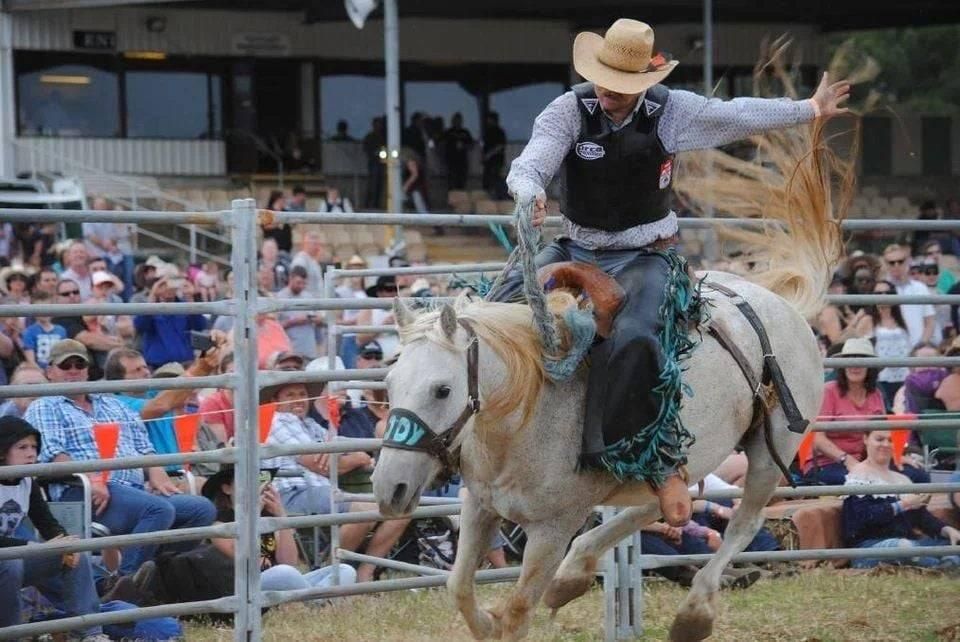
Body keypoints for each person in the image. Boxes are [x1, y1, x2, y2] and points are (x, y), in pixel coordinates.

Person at [489, 17, 851, 523]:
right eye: (605, 80)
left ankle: (642, 456)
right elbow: (533, 161)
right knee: (495, 310)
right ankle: (487, 438)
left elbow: (736, 116)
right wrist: (528, 192)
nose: (610, 91)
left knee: (637, 334)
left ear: (642, 83)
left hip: (645, 252)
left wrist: (807, 109)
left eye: (623, 85)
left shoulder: (671, 111)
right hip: (577, 243)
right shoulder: (568, 110)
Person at [24, 339, 216, 579]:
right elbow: (53, 454)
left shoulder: (113, 404)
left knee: (201, 509)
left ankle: (158, 578)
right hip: (81, 492)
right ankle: (124, 583)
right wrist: (93, 477)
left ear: (88, 369)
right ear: (49, 372)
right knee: (158, 510)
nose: (73, 370)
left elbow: (143, 446)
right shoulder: (45, 405)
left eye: (79, 364)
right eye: (66, 366)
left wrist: (156, 470)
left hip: (132, 491)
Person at [0, 416, 109, 641]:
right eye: (22, 447)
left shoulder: (27, 480)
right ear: (2, 452)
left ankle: (89, 632)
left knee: (74, 552)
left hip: (15, 556)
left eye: (34, 447)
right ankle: (11, 634)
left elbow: (47, 522)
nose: (31, 453)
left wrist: (64, 543)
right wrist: (31, 546)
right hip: (9, 559)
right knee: (10, 563)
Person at [841, 430, 960, 568]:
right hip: (869, 547)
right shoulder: (858, 475)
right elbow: (862, 518)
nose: (885, 444)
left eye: (891, 440)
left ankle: (946, 563)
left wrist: (946, 530)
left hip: (907, 542)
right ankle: (942, 566)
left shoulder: (901, 478)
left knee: (949, 541)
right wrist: (902, 504)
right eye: (879, 439)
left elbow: (921, 518)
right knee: (902, 547)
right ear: (866, 439)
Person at [802, 338, 885, 486]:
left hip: (866, 462)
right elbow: (817, 438)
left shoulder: (876, 394)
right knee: (867, 482)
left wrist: (900, 456)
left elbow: (883, 434)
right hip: (826, 463)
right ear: (842, 365)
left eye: (861, 360)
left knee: (917, 475)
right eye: (849, 359)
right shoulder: (828, 391)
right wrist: (848, 461)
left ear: (870, 367)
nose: (854, 365)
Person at [133, 274, 208, 369]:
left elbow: (200, 325)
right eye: (163, 284)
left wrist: (190, 298)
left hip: (184, 364)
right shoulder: (149, 308)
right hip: (157, 366)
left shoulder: (185, 306)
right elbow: (140, 325)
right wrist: (153, 295)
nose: (168, 287)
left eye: (172, 283)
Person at [881, 244, 935, 347]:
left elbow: (930, 322)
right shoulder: (881, 290)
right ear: (886, 264)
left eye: (900, 261)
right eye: (891, 262)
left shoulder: (921, 288)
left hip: (917, 351)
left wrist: (921, 345)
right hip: (889, 351)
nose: (896, 265)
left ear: (907, 261)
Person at [870, 280, 911, 408]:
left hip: (904, 375)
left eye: (888, 292)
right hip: (882, 377)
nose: (883, 296)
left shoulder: (902, 319)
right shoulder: (868, 320)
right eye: (878, 293)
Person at [277, 265, 324, 360]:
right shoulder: (279, 298)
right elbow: (275, 327)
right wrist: (293, 322)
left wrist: (317, 319)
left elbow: (320, 321)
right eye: (298, 283)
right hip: (289, 353)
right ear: (290, 278)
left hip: (309, 351)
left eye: (304, 283)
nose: (301, 286)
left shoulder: (309, 297)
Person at [21, 291, 67, 369]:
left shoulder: (61, 330)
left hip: (59, 370)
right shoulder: (29, 331)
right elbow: (31, 360)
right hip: (39, 371)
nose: (44, 311)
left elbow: (65, 354)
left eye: (47, 308)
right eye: (40, 308)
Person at [443, 112, 474, 191]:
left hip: (462, 161)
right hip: (451, 161)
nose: (457, 122)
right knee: (451, 183)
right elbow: (442, 144)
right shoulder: (448, 132)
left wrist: (463, 146)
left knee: (461, 183)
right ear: (453, 121)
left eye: (459, 120)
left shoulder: (465, 132)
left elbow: (471, 145)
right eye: (456, 120)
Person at [362, 116, 386, 209]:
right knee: (372, 185)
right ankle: (368, 205)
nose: (379, 126)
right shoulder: (370, 136)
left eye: (380, 124)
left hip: (382, 163)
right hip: (373, 164)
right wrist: (374, 152)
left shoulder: (383, 136)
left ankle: (376, 205)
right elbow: (365, 148)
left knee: (380, 185)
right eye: (377, 124)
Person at [482, 111, 507, 197]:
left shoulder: (499, 132)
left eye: (489, 119)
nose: (488, 121)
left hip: (496, 162)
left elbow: (500, 146)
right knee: (487, 183)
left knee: (496, 181)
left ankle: (498, 198)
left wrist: (489, 154)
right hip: (488, 163)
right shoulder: (487, 132)